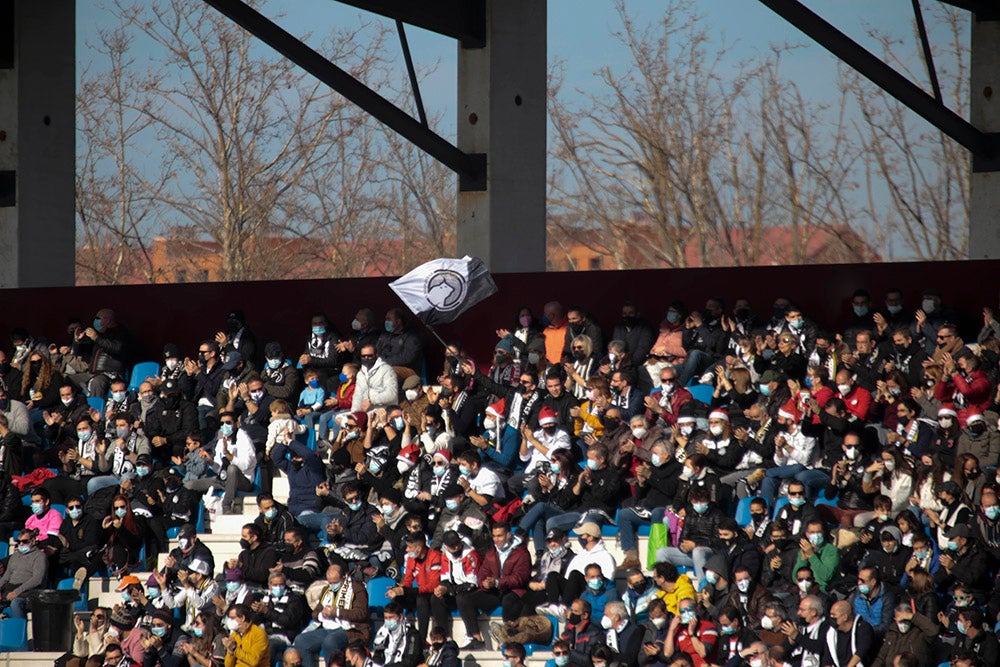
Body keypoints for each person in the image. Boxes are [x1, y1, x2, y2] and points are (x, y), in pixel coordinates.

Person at [295, 564, 370, 667]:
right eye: (330, 582)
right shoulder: (326, 589)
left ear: (343, 577)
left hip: (350, 630)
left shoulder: (357, 589)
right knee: (301, 640)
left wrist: (337, 612)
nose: (332, 585)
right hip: (328, 628)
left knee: (330, 641)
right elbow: (315, 613)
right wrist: (322, 614)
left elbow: (361, 613)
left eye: (335, 582)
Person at [0, 528, 47, 619]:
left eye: (24, 541)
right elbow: (6, 576)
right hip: (10, 588)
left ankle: (18, 629)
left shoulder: (39, 557)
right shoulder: (15, 556)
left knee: (16, 602)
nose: (21, 544)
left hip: (29, 592)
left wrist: (16, 592)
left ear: (33, 541)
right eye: (19, 541)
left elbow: (37, 579)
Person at [664, 597, 718, 667]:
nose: (686, 613)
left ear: (696, 609)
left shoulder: (708, 626)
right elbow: (667, 653)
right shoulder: (679, 630)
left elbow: (703, 653)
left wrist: (691, 633)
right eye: (682, 611)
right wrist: (671, 629)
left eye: (689, 609)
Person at [370, 601, 422, 667]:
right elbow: (377, 655)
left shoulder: (412, 634)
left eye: (391, 617)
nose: (388, 621)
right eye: (386, 618)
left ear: (400, 617)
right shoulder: (382, 632)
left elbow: (410, 661)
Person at [822, 601, 874, 667]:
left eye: (834, 615)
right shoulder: (831, 634)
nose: (831, 617)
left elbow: (861, 652)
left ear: (844, 617)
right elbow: (827, 659)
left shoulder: (863, 628)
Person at [222, 603, 270, 667]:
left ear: (242, 618)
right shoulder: (234, 635)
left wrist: (234, 649)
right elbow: (228, 665)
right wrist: (230, 651)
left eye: (232, 618)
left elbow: (254, 661)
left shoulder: (259, 634)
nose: (230, 621)